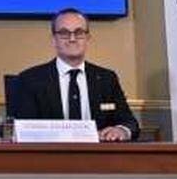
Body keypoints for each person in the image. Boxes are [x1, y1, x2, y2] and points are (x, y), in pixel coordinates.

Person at [9, 8, 138, 141]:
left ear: (87, 38)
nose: (72, 39)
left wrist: (122, 130)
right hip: (50, 152)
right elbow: (24, 130)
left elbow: (129, 122)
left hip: (98, 153)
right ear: (54, 39)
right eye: (64, 33)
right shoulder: (30, 80)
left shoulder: (107, 79)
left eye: (79, 32)